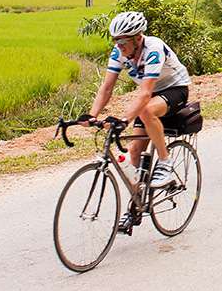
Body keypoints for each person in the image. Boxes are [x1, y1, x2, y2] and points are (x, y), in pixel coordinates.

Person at [82, 11, 191, 194]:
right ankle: (136, 206)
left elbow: (145, 93)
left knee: (146, 110)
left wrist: (125, 120)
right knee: (133, 152)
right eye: (116, 41)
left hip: (174, 89)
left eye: (123, 42)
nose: (119, 46)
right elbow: (107, 87)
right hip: (151, 95)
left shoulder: (153, 48)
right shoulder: (119, 52)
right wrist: (92, 115)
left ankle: (166, 163)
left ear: (138, 38)